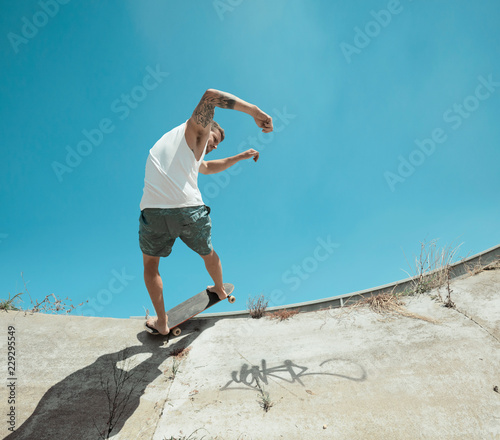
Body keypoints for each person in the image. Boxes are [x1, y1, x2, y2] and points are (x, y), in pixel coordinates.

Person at [139, 89, 274, 335]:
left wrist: (240, 156)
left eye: (217, 144)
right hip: (188, 211)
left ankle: (162, 322)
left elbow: (209, 167)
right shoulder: (194, 130)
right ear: (207, 126)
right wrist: (255, 111)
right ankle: (220, 289)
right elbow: (210, 96)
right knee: (207, 252)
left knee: (151, 264)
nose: (213, 145)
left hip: (155, 212)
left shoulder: (186, 151)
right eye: (215, 138)